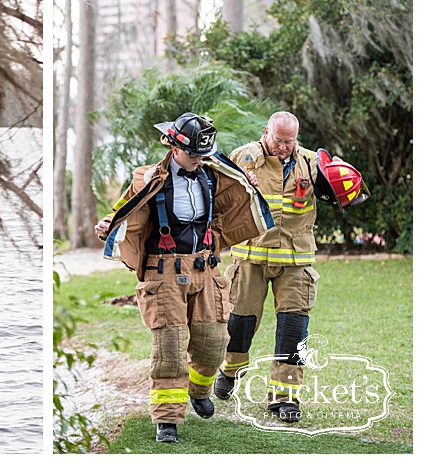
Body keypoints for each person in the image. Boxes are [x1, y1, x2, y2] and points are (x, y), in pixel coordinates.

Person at [95, 112, 273, 443]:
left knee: (214, 341)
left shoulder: (211, 175)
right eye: (193, 155)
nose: (198, 160)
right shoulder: (148, 178)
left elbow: (234, 201)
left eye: (202, 155)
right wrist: (108, 222)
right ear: (174, 146)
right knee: (170, 347)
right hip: (162, 273)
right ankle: (167, 419)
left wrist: (249, 184)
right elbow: (126, 207)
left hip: (205, 269)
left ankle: (199, 389)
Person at [213, 111, 368, 423]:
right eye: (278, 139)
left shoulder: (313, 163)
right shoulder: (242, 157)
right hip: (250, 257)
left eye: (290, 141)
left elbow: (343, 194)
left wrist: (344, 186)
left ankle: (285, 397)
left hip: (296, 262)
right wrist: (242, 185)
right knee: (239, 328)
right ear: (266, 131)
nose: (284, 146)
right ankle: (230, 370)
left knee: (294, 332)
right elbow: (219, 200)